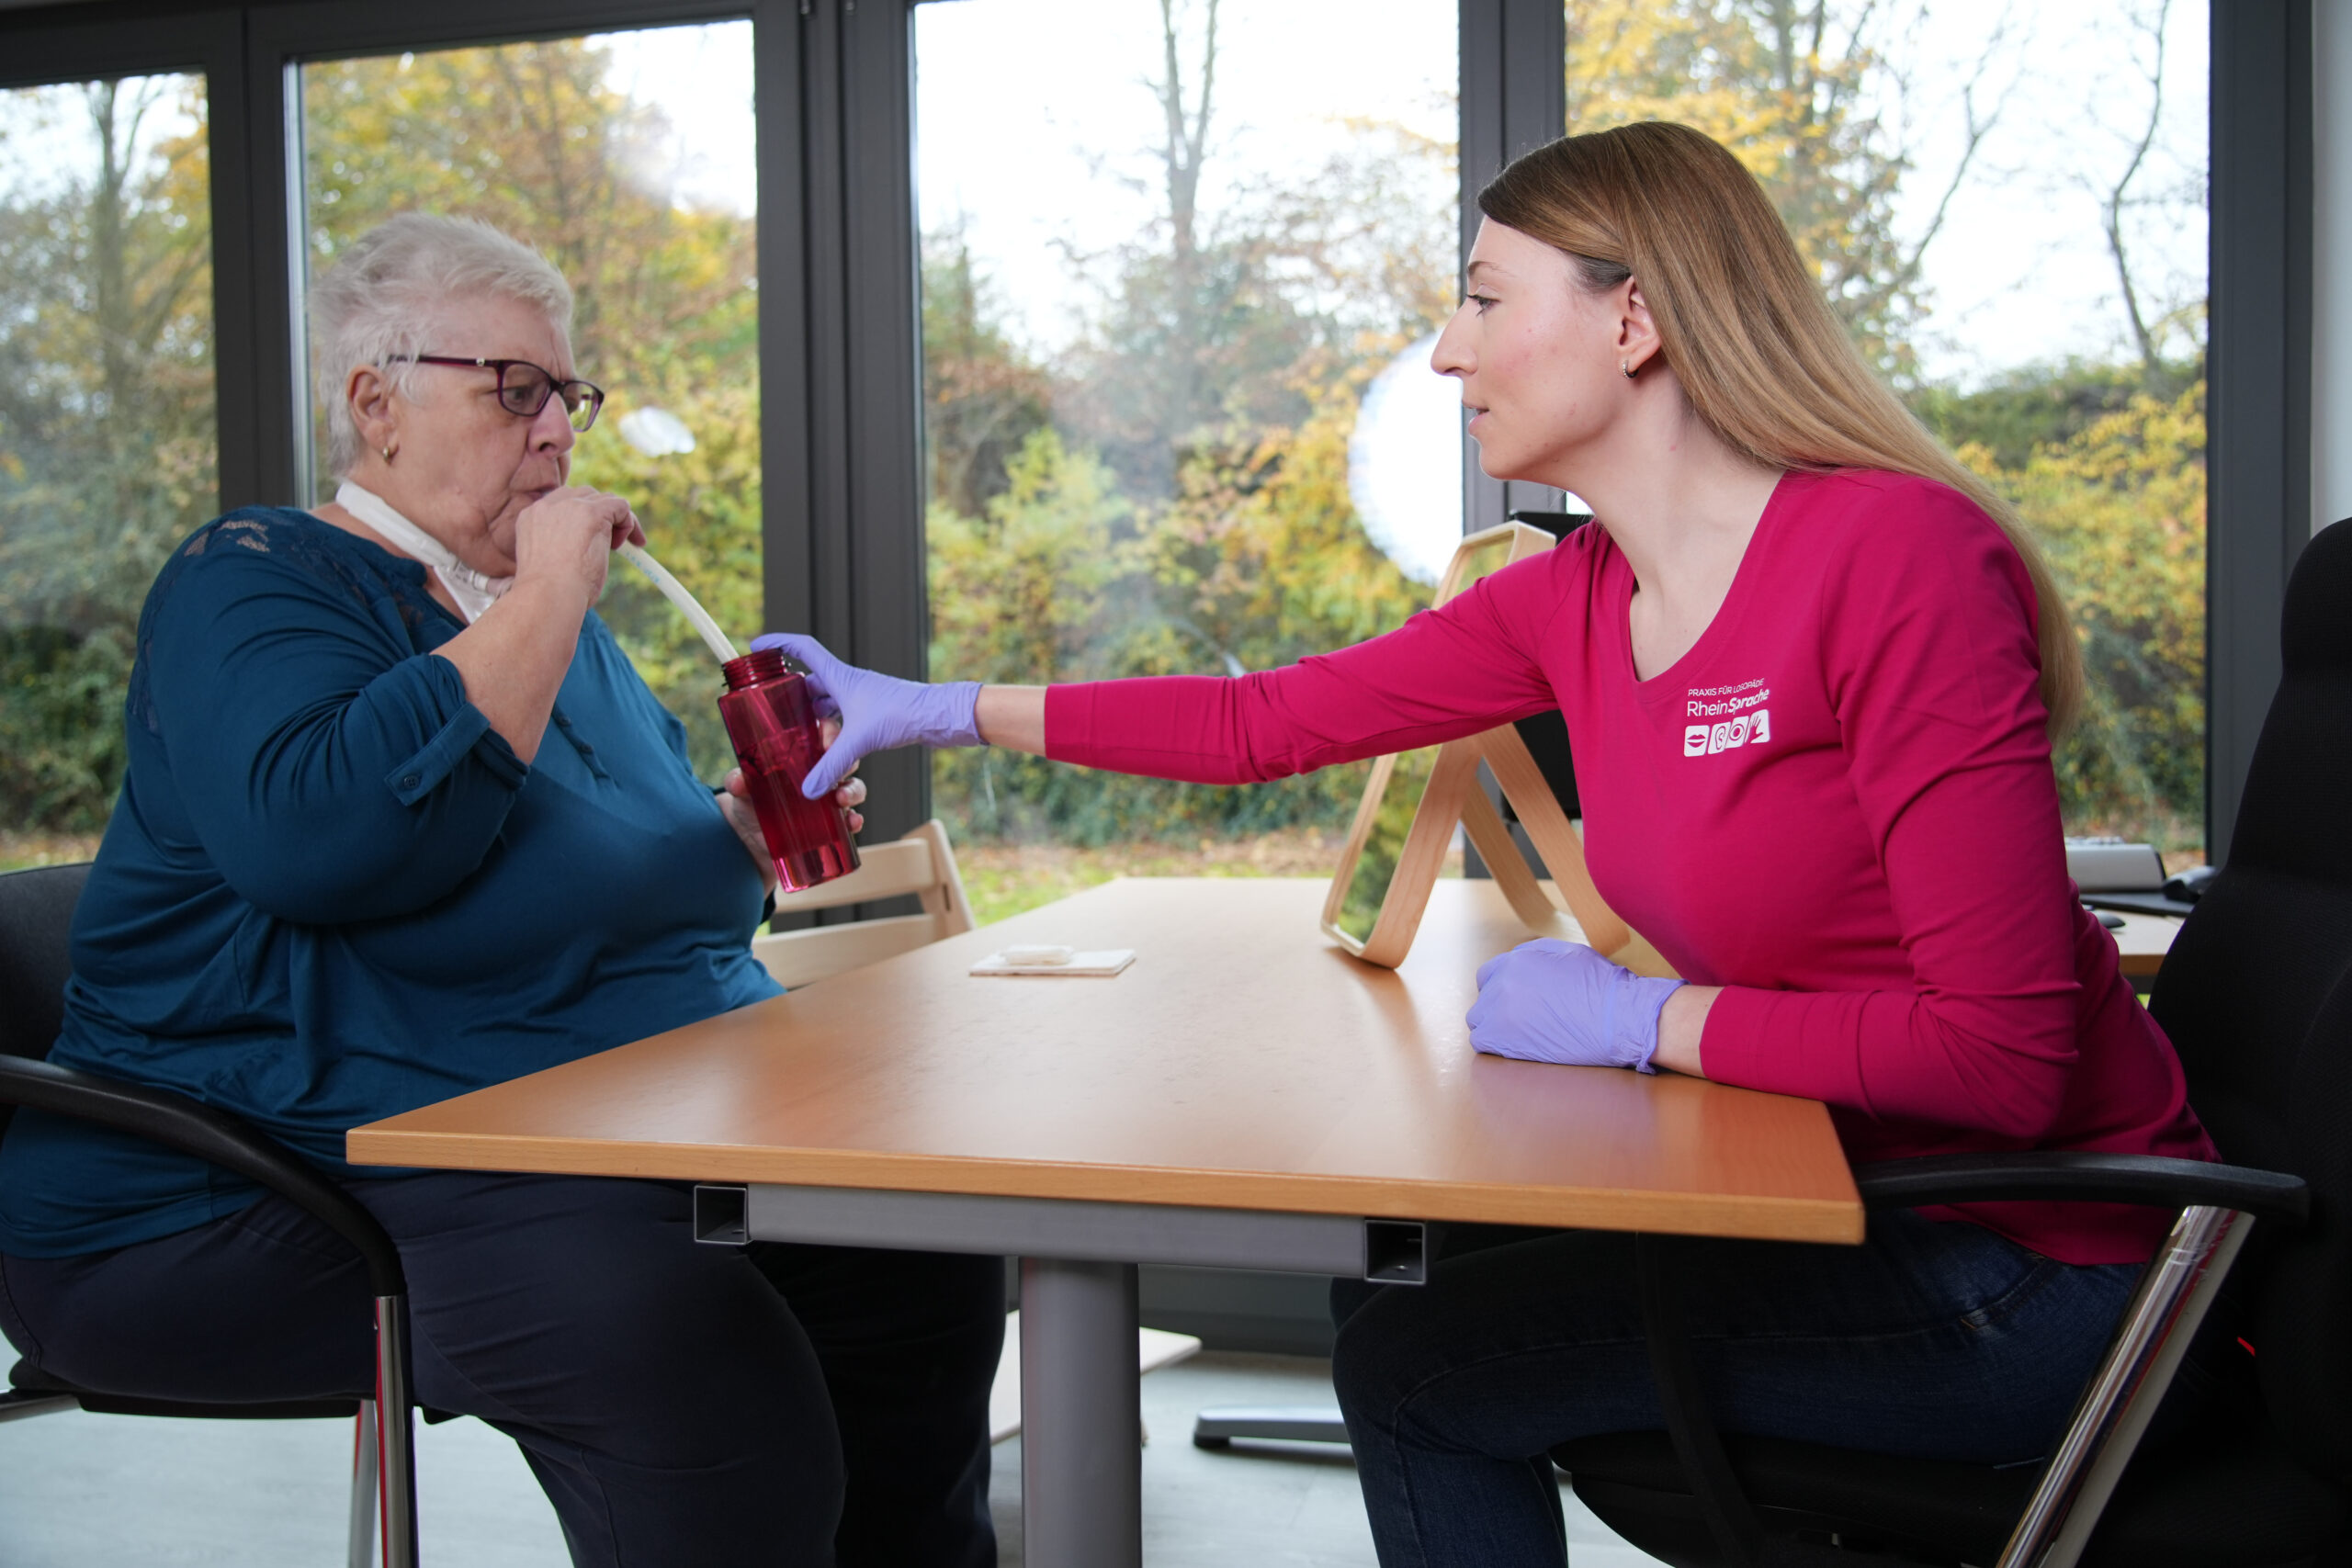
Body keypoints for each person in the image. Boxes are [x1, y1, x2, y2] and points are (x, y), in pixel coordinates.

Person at [747, 122, 2215, 1567]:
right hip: (1858, 1196)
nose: (1449, 353)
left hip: (2046, 1270)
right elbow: (1264, 722)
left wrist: (1645, 1022)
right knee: (1394, 1283)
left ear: (1633, 319)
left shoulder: (1894, 561)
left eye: (1482, 299)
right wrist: (938, 709)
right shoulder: (1575, 595)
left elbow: (2004, 1062)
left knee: (1418, 1378)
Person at [0, 213, 1002, 1568]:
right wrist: (541, 599)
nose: (555, 434)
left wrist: (732, 837)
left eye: (567, 397)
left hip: (556, 1134)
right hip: (251, 1182)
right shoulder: (252, 580)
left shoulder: (546, 630)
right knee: (675, 1338)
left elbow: (625, 881)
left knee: (915, 1257)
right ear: (376, 406)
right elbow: (325, 843)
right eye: (515, 390)